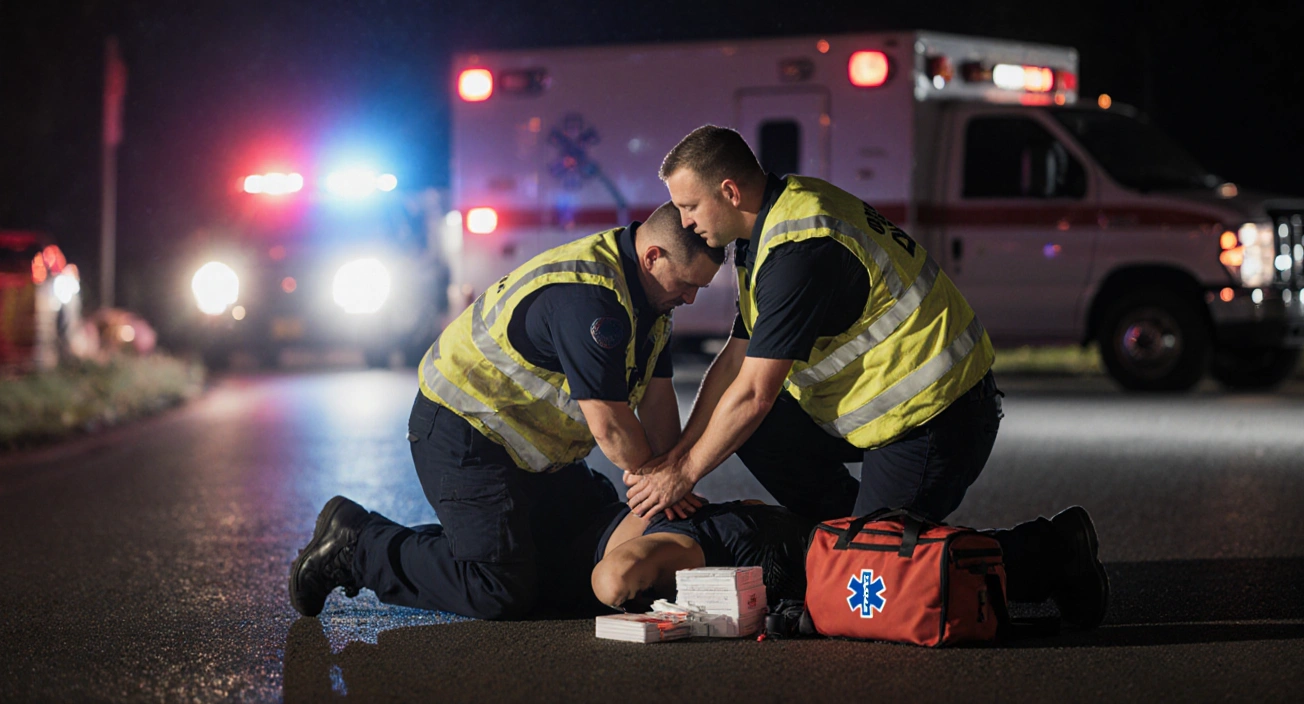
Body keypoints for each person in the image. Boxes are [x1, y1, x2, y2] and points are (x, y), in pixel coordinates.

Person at [625, 126, 1106, 625]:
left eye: (689, 207)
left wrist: (683, 475)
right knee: (768, 448)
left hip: (936, 415)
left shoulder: (799, 250)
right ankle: (846, 542)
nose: (683, 222)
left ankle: (1051, 553)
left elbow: (753, 393)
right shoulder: (767, 227)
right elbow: (733, 362)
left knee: (870, 577)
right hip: (876, 412)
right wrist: (679, 455)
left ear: (729, 191)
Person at [289, 202, 724, 620]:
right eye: (687, 284)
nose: (690, 298)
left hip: (530, 452)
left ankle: (485, 546)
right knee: (499, 587)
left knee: (588, 542)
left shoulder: (652, 303)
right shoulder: (593, 298)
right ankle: (358, 546)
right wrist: (661, 479)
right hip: (464, 432)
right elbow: (611, 427)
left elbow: (658, 398)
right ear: (653, 256)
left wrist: (673, 476)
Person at [587, 501, 1109, 630]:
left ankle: (1054, 547)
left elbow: (616, 579)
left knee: (906, 579)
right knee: (905, 563)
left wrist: (607, 587)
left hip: (792, 557)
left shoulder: (671, 539)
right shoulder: (684, 526)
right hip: (794, 548)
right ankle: (1049, 551)